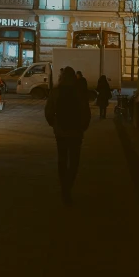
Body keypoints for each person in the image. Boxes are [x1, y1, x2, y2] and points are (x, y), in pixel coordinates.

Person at [45, 66, 91, 204]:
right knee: (74, 161)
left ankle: (64, 187)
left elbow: (48, 111)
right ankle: (68, 186)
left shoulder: (56, 91)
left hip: (61, 132)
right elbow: (85, 112)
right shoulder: (79, 92)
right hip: (76, 132)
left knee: (62, 159)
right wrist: (83, 126)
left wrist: (54, 124)